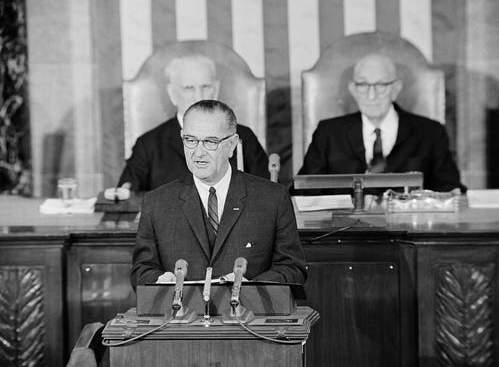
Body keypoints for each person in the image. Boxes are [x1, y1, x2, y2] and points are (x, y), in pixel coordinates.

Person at [131, 100, 306, 287]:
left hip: (247, 306)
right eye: (190, 140)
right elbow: (142, 271)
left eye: (210, 142)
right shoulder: (156, 203)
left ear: (232, 145)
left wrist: (251, 288)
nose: (198, 152)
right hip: (181, 306)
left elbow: (292, 269)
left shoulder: (273, 198)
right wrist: (160, 281)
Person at [298, 53, 464, 192]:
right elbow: (303, 190)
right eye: (363, 84)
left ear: (396, 88)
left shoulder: (430, 132)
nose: (371, 96)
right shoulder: (328, 133)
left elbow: (451, 191)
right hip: (344, 222)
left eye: (381, 85)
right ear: (353, 90)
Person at [118, 55, 269, 192]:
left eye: (205, 87)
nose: (199, 95)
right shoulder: (148, 144)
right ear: (172, 93)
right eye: (189, 88)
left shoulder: (243, 137)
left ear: (216, 89)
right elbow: (127, 197)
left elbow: (268, 193)